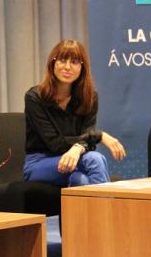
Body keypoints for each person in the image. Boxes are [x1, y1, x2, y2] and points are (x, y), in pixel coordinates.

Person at [24, 39, 125, 187]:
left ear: (82, 67)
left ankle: (87, 210)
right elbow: (55, 144)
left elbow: (86, 139)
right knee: (94, 159)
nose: (67, 67)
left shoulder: (89, 97)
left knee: (81, 180)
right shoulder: (35, 97)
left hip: (76, 159)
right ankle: (108, 209)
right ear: (53, 64)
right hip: (40, 163)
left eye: (75, 62)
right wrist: (99, 136)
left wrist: (78, 148)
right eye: (62, 60)